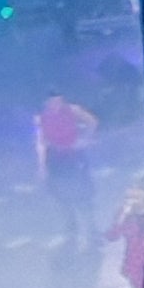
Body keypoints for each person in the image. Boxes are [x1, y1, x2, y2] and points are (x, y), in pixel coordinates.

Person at [33, 88, 99, 246]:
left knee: (83, 191)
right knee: (59, 192)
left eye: (58, 100)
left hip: (74, 155)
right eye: (51, 101)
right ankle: (71, 225)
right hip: (55, 157)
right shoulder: (41, 118)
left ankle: (91, 228)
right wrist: (42, 166)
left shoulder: (72, 110)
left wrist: (85, 139)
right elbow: (41, 141)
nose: (55, 104)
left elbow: (92, 121)